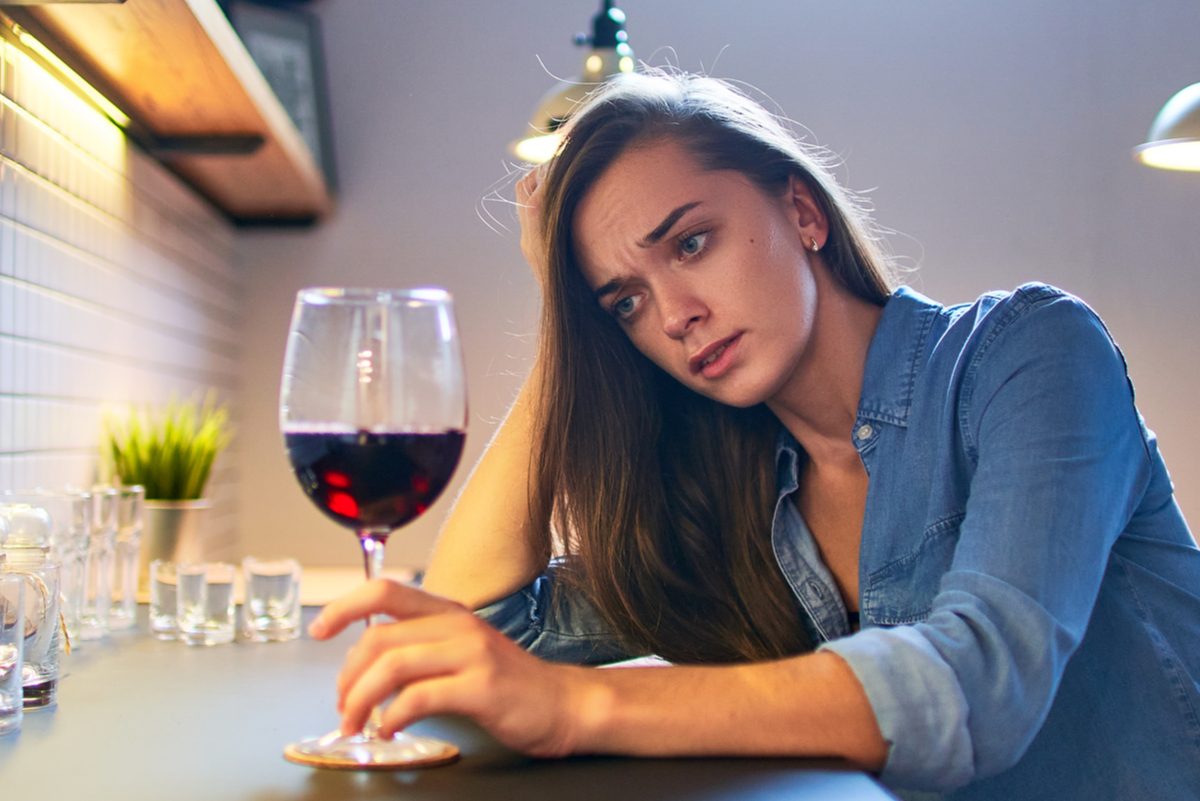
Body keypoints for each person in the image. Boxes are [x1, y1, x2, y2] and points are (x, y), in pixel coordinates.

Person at [309, 71, 1200, 799]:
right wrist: (566, 314)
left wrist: (580, 705)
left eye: (691, 244)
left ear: (803, 213)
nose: (677, 316)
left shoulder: (1030, 354)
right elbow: (483, 629)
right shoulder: (729, 487)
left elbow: (979, 685)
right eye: (627, 301)